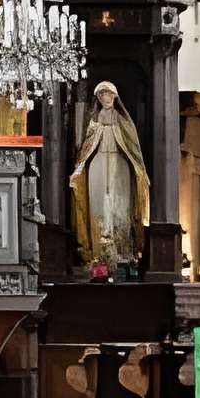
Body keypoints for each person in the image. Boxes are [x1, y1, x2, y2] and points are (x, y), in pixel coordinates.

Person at [69, 79, 151, 272]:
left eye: (108, 94)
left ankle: (123, 253)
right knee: (98, 206)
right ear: (98, 98)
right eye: (101, 95)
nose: (105, 98)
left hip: (119, 166)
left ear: (114, 96)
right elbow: (86, 149)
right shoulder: (94, 121)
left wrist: (140, 172)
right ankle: (97, 254)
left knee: (119, 206)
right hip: (98, 164)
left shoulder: (123, 121)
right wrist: (78, 170)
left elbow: (133, 149)